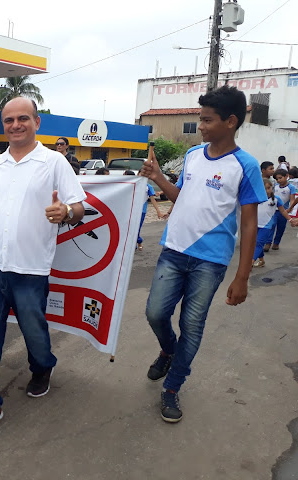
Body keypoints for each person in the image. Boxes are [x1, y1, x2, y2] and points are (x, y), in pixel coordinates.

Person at [0, 97, 86, 436]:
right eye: (9, 120)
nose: (15, 125)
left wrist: (66, 212)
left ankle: (43, 367)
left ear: (36, 122)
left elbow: (79, 208)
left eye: (22, 118)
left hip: (31, 270)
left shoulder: (54, 162)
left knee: (34, 332)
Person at [139, 85, 266, 423]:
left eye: (207, 120)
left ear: (230, 121)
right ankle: (168, 350)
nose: (201, 126)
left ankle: (172, 387)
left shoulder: (245, 165)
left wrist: (242, 277)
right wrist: (158, 177)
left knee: (192, 325)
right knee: (155, 313)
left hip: (210, 261)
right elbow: (182, 196)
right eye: (200, 119)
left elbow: (249, 224)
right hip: (174, 250)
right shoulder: (194, 154)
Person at [253, 179, 292, 267]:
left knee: (259, 243)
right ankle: (261, 260)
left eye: (269, 188)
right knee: (255, 243)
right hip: (254, 224)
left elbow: (283, 211)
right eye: (264, 188)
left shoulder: (276, 199)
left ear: (272, 188)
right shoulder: (256, 197)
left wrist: (290, 220)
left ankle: (250, 262)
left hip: (266, 226)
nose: (267, 190)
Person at [123, 170, 164, 250]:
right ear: (138, 174)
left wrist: (158, 211)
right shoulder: (132, 185)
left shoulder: (148, 187)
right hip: (130, 210)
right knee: (129, 228)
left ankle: (138, 241)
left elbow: (153, 200)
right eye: (141, 174)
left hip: (141, 211)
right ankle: (134, 243)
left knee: (137, 228)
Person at [265, 169, 297, 251]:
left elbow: (292, 199)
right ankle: (268, 243)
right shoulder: (275, 186)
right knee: (271, 225)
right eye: (277, 179)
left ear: (286, 176)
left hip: (284, 211)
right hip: (273, 210)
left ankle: (276, 243)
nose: (279, 180)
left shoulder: (291, 187)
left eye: (280, 178)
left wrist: (290, 208)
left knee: (281, 228)